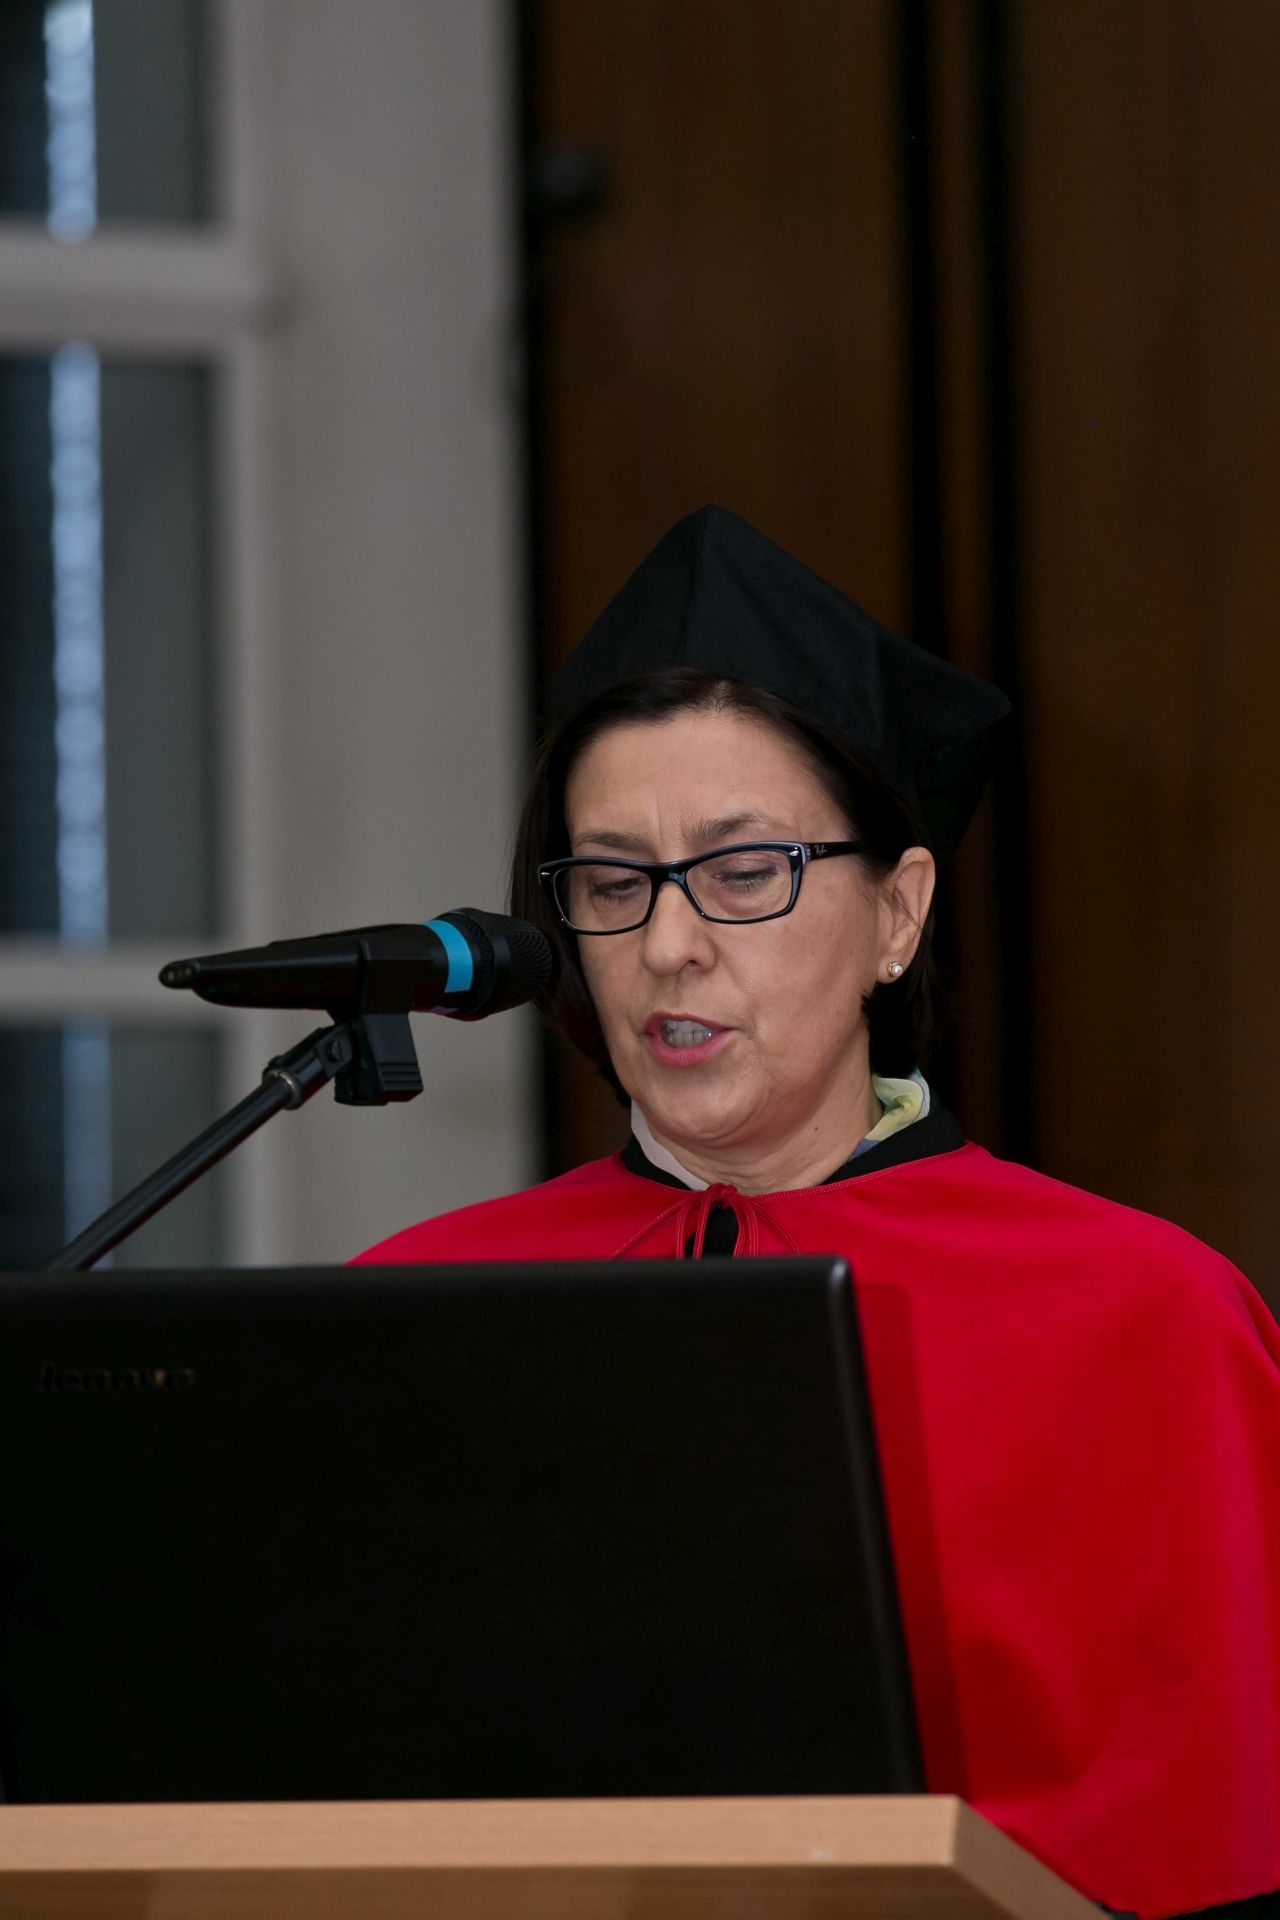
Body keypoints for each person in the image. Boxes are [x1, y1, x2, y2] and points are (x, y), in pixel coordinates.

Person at [358, 506, 1280, 1919]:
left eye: (743, 873)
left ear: (897, 916)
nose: (669, 944)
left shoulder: (1143, 1312)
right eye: (612, 881)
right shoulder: (413, 1303)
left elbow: (1213, 1820)